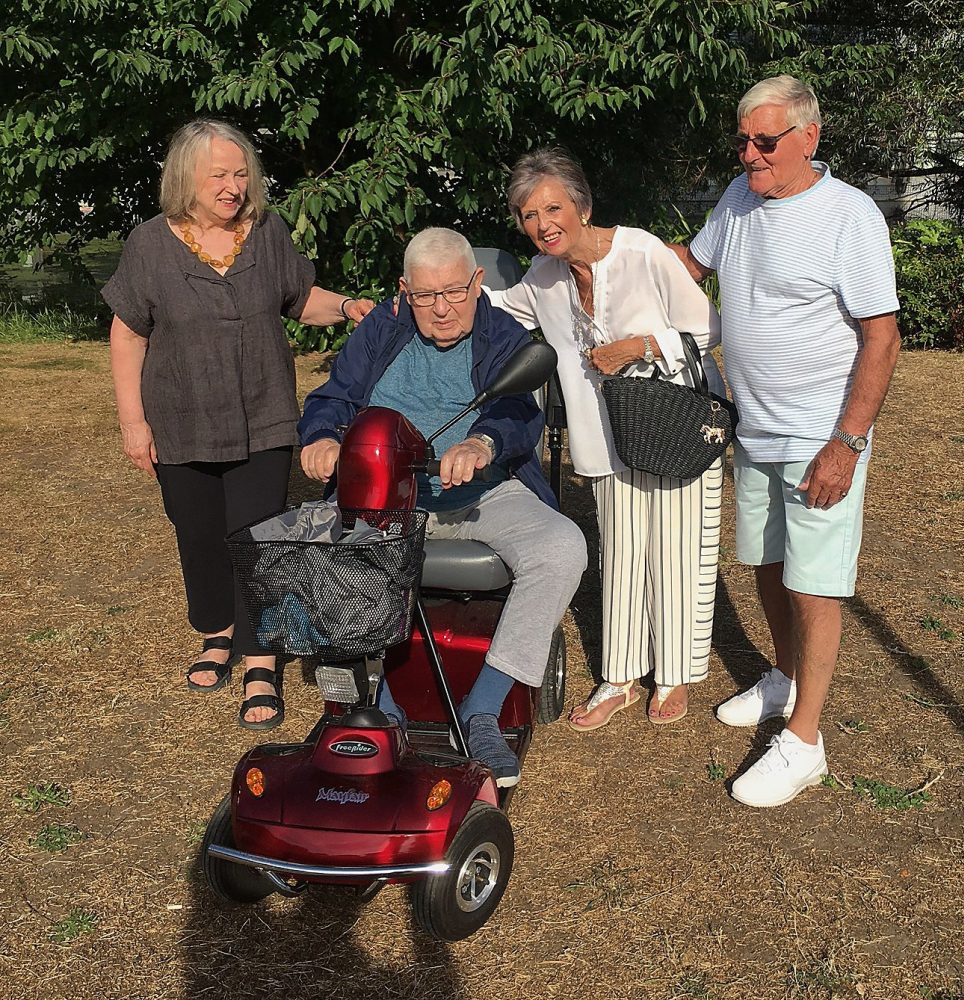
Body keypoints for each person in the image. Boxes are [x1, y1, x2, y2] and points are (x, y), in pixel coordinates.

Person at [670, 75, 901, 807]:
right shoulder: (740, 200)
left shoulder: (850, 216)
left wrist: (847, 442)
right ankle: (783, 677)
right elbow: (687, 267)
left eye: (764, 142)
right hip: (755, 423)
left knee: (813, 582)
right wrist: (595, 255)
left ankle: (804, 741)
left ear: (809, 137)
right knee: (767, 563)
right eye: (741, 141)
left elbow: (882, 337)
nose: (749, 155)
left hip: (819, 434)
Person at [104, 119, 375, 732]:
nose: (233, 186)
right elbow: (128, 332)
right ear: (186, 179)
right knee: (198, 534)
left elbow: (299, 299)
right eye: (219, 174)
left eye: (240, 172)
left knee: (258, 539)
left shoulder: (269, 232)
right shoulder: (149, 245)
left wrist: (348, 307)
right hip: (180, 418)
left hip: (263, 414)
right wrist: (132, 421)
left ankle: (260, 660)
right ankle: (216, 631)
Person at [298, 227, 588, 788]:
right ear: (405, 291)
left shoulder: (501, 334)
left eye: (455, 292)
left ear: (477, 283)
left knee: (561, 547)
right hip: (390, 495)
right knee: (316, 546)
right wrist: (324, 437)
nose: (443, 309)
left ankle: (484, 707)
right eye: (426, 296)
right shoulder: (380, 329)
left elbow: (518, 412)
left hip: (483, 493)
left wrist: (482, 443)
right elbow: (333, 397)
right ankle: (381, 702)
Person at [490, 147, 726, 731]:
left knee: (677, 549)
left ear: (582, 205)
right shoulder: (542, 278)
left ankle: (673, 674)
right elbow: (499, 310)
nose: (543, 224)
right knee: (620, 554)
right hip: (604, 436)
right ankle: (618, 676)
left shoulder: (642, 250)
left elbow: (706, 326)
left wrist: (642, 345)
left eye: (553, 207)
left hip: (674, 425)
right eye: (528, 214)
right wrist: (438, 292)